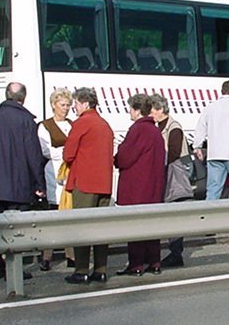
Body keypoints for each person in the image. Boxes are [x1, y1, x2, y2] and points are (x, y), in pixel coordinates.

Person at [0, 82, 46, 281]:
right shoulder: (26, 120)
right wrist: (39, 184)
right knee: (16, 230)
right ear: (23, 97)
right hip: (19, 185)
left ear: (6, 95)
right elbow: (33, 155)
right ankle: (13, 269)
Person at [63, 87, 114, 285]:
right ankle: (101, 270)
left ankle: (82, 269)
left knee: (82, 226)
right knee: (101, 228)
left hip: (85, 182)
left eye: (76, 103)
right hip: (104, 183)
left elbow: (68, 154)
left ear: (84, 103)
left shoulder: (82, 123)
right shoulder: (104, 124)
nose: (74, 107)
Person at [115, 93, 167, 276]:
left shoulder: (138, 129)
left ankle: (136, 264)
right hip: (154, 186)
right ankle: (154, 262)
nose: (129, 112)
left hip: (136, 187)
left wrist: (117, 155)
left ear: (137, 110)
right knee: (152, 226)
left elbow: (124, 157)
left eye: (130, 108)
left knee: (135, 226)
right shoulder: (155, 131)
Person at [150, 93, 190, 268]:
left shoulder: (174, 128)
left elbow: (174, 153)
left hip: (175, 178)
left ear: (160, 110)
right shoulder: (160, 127)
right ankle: (173, 253)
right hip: (169, 176)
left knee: (175, 216)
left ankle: (176, 253)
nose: (149, 114)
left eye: (151, 110)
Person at [193, 80, 229, 200]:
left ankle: (209, 210)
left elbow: (201, 128)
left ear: (222, 91)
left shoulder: (210, 107)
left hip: (214, 154)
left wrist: (197, 146)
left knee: (213, 190)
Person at [36, 88, 75, 270]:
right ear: (54, 105)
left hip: (71, 173)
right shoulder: (45, 126)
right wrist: (66, 151)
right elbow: (45, 151)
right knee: (52, 216)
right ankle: (46, 256)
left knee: (69, 216)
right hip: (53, 173)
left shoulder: (72, 125)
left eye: (68, 105)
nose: (65, 108)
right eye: (62, 105)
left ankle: (71, 255)